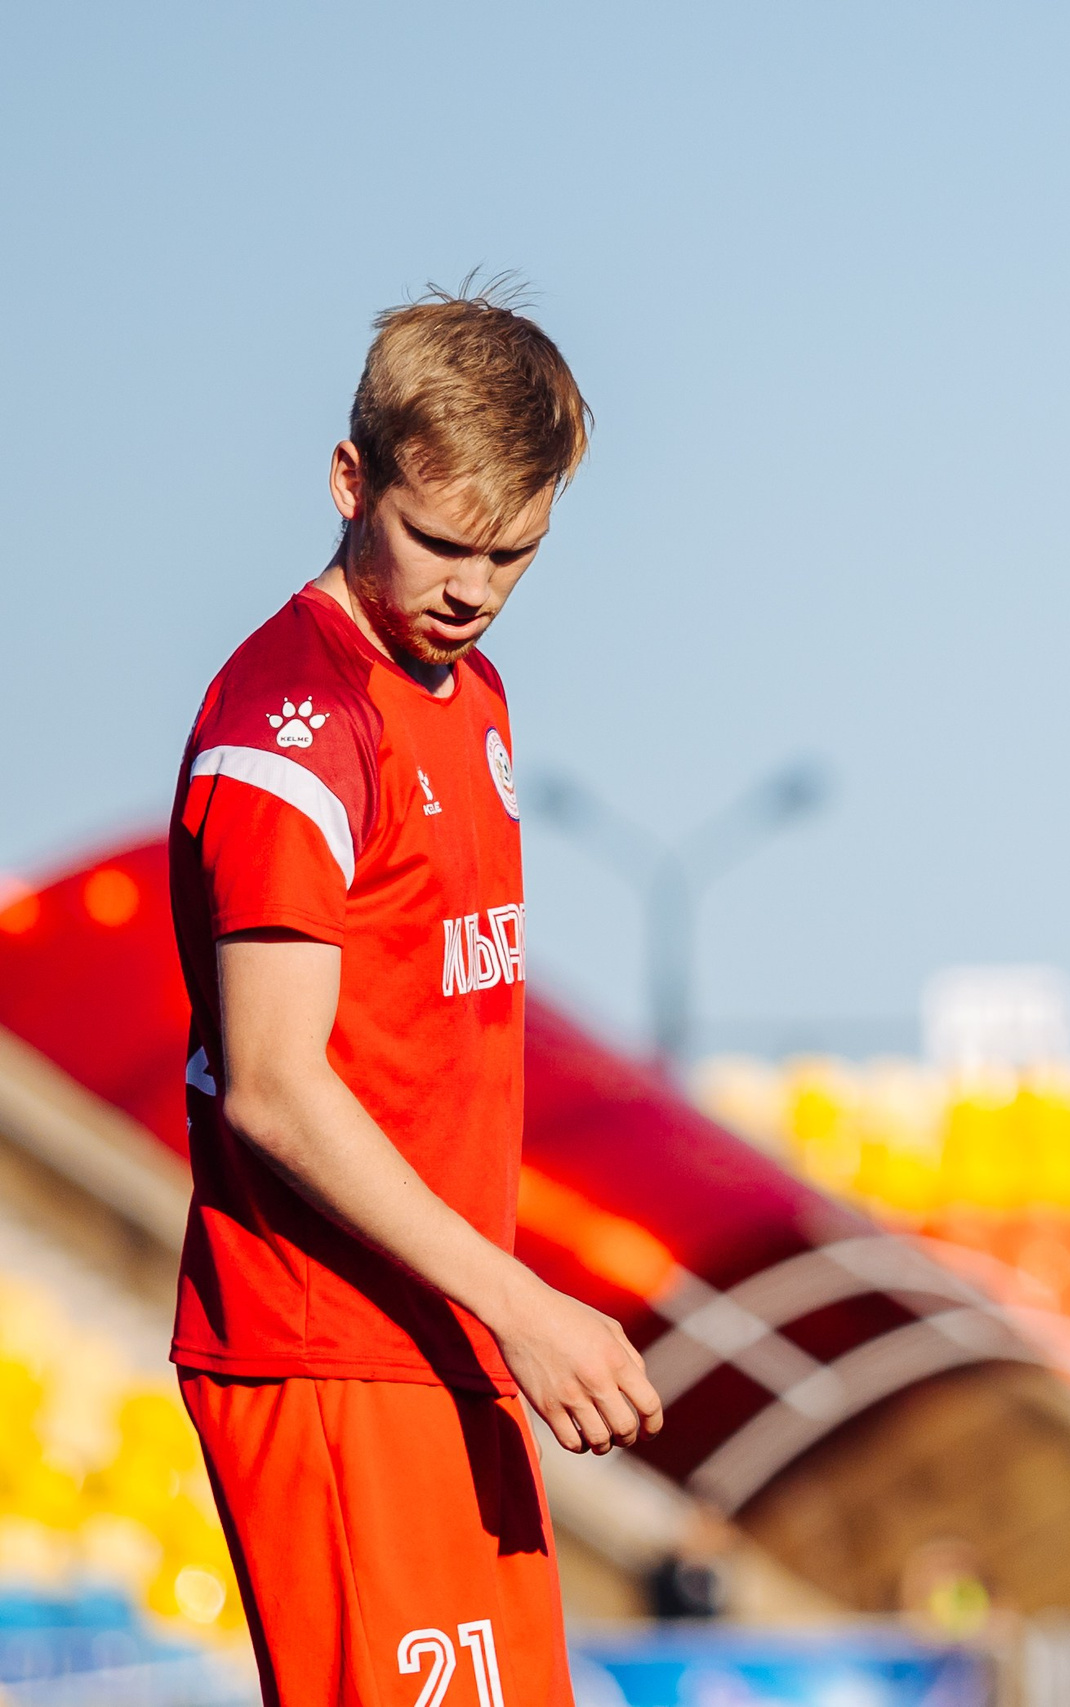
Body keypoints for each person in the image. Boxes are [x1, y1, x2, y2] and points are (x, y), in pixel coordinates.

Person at [168, 286, 663, 1707]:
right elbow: (272, 1082)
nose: (475, 587)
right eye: (441, 542)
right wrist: (525, 1305)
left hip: (449, 1344)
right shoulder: (287, 726)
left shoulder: (475, 694)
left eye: (514, 553)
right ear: (348, 481)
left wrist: (500, 1320)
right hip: (332, 1352)